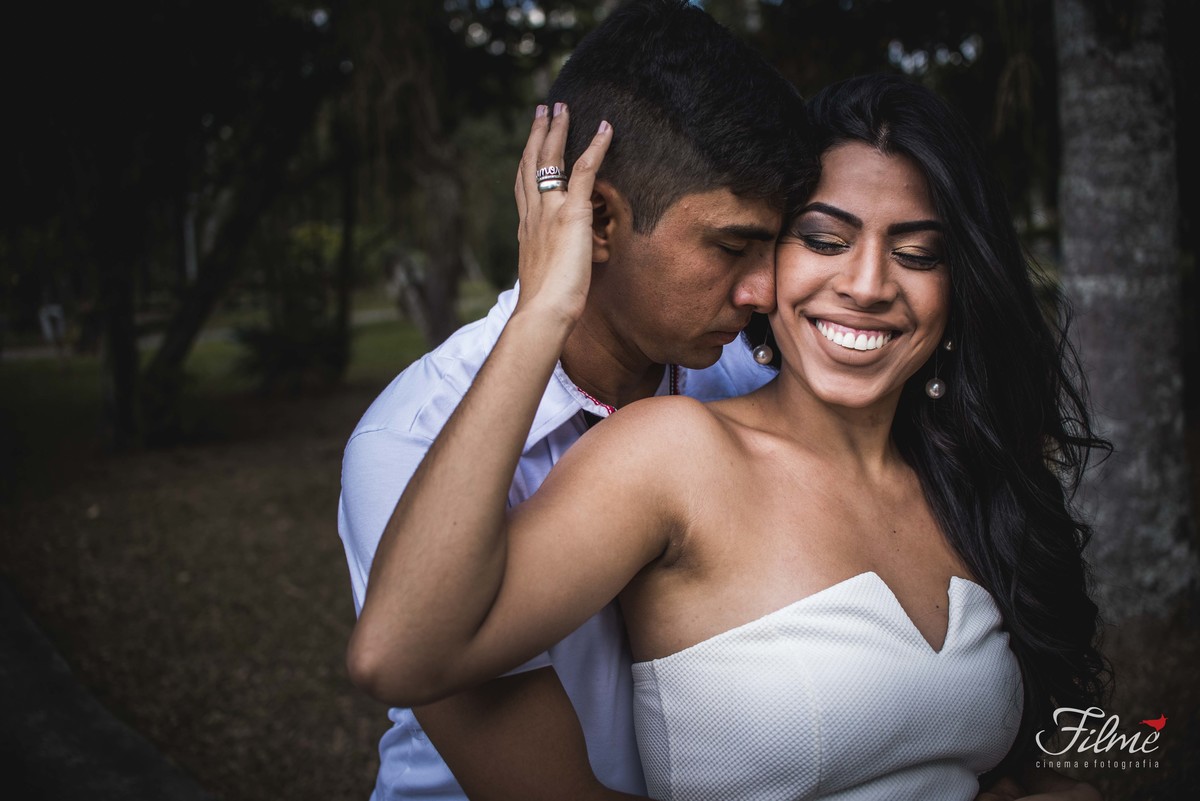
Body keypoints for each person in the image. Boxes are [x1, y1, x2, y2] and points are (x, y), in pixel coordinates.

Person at [348, 71, 1110, 800]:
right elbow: (406, 659)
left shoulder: (949, 465)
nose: (869, 284)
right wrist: (543, 307)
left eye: (918, 253)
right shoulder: (636, 446)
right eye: (823, 238)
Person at [337, 2, 810, 798]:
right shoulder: (410, 439)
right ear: (596, 218)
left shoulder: (739, 385)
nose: (762, 290)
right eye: (732, 246)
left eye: (774, 247)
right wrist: (543, 311)